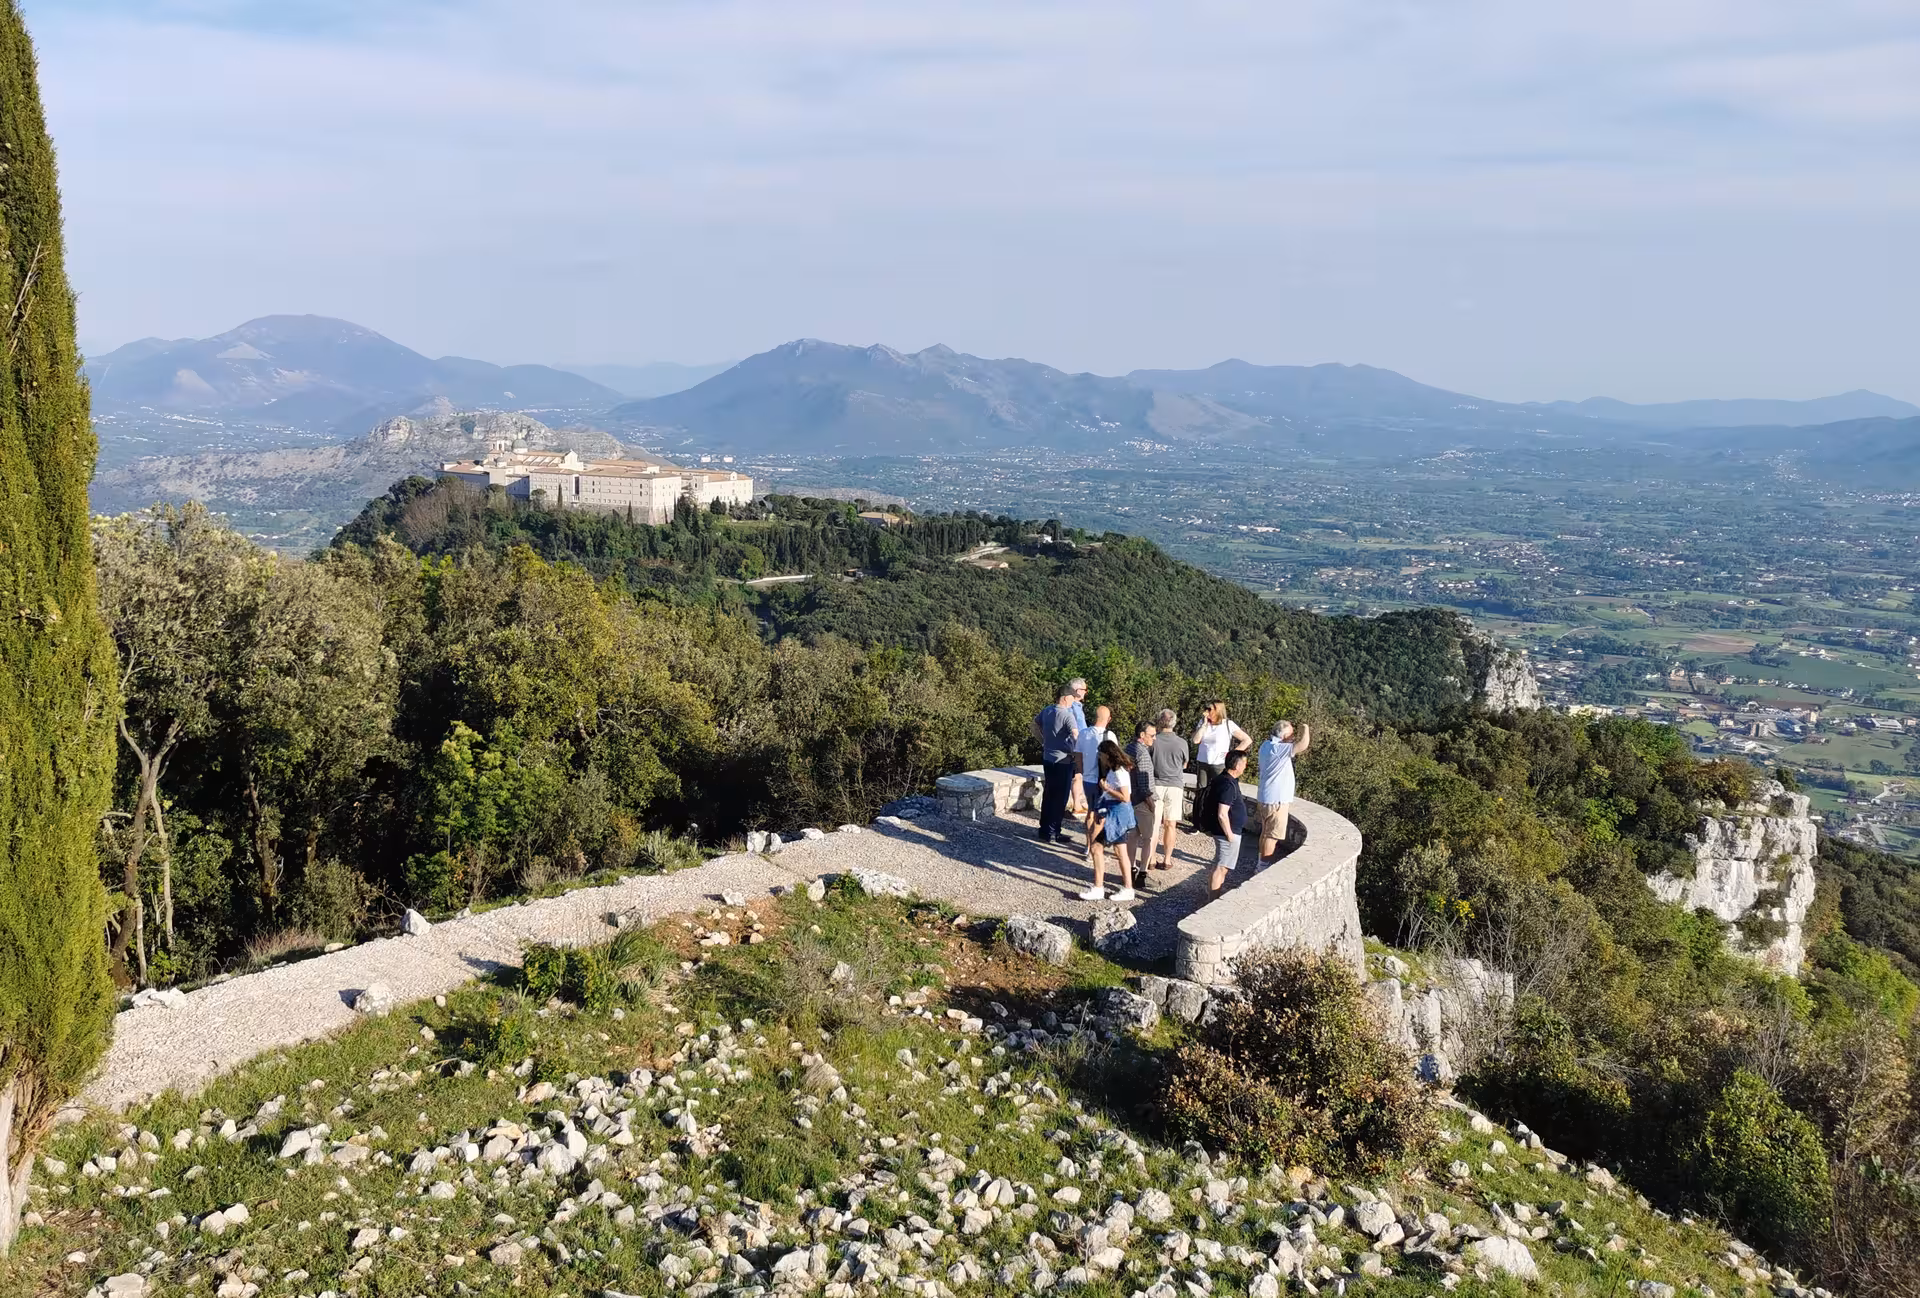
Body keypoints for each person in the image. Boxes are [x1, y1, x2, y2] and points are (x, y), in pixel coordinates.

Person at [1081, 739, 1138, 901]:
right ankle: (1126, 888)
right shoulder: (1115, 771)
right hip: (1115, 813)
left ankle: (1100, 887)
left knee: (1097, 848)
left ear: (1107, 755)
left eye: (1100, 754)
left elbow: (1125, 797)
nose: (1099, 757)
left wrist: (1107, 789)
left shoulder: (1119, 772)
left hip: (1118, 815)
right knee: (1120, 851)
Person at [1189, 699, 1250, 832]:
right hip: (1203, 762)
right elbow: (1195, 740)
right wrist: (1204, 725)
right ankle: (1198, 824)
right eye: (1206, 708)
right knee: (1201, 792)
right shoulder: (1203, 723)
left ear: (1218, 710)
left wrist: (1232, 755)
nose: (1206, 711)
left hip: (1219, 764)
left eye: (1210, 709)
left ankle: (1217, 824)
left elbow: (1247, 740)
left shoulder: (1228, 724)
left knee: (1219, 793)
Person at [1256, 720, 1310, 864]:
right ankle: (1263, 866)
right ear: (1284, 735)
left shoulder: (1266, 745)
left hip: (1265, 797)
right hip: (1276, 801)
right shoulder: (1279, 749)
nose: (1293, 737)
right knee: (1272, 836)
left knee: (1265, 833)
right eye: (1292, 734)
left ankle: (1259, 862)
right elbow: (1303, 744)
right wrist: (1305, 727)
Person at [1031, 684, 1080, 844]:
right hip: (1063, 760)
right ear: (1066, 698)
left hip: (1048, 758)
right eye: (1072, 697)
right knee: (1060, 797)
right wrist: (1077, 753)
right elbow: (1075, 735)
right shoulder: (1067, 715)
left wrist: (1043, 742)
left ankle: (1044, 830)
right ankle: (1054, 832)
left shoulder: (1047, 710)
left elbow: (1034, 725)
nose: (1073, 700)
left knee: (1049, 793)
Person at [1146, 707, 1188, 871]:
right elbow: (1184, 764)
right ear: (1174, 723)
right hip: (1175, 786)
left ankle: (1150, 858)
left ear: (1158, 721)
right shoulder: (1182, 743)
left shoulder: (1153, 741)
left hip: (1155, 784)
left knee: (1154, 824)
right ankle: (1167, 859)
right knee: (1171, 824)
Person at [1207, 749, 1251, 899]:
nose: (1246, 766)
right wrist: (1230, 835)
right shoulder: (1228, 785)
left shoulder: (1224, 779)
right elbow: (1222, 813)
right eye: (1244, 763)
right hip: (1227, 832)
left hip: (1225, 830)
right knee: (1221, 867)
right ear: (1237, 765)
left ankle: (1213, 894)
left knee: (1220, 865)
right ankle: (1212, 899)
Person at [1125, 718, 1157, 884]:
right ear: (1142, 735)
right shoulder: (1143, 753)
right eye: (1152, 735)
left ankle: (1130, 869)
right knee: (1147, 839)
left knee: (1132, 837)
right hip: (1143, 802)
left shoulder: (1129, 748)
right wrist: (1151, 804)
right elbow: (1145, 785)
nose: (1154, 738)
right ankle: (1142, 873)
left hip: (1129, 799)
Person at [1076, 704, 1113, 844]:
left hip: (1087, 780)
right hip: (1103, 780)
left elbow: (1078, 756)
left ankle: (1088, 845)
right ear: (1108, 719)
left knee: (1090, 812)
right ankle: (1095, 847)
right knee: (1101, 815)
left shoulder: (1083, 733)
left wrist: (1081, 771)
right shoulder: (1109, 735)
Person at [1065, 678, 1091, 816]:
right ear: (1077, 691)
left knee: (1077, 775)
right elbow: (1079, 729)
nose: (1086, 692)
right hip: (1076, 747)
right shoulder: (1074, 708)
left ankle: (1078, 804)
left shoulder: (1072, 707)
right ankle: (1076, 805)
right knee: (1078, 776)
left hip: (1071, 747)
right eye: (1084, 690)